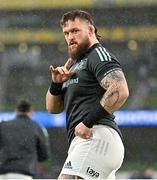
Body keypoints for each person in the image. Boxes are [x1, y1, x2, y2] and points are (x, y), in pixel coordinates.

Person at [46, 9, 129, 179]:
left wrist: (88, 121)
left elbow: (119, 89)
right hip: (87, 142)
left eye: (75, 31)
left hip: (96, 137)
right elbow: (52, 108)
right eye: (66, 33)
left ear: (90, 30)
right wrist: (56, 84)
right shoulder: (74, 65)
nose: (70, 37)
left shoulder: (97, 55)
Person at [0, 100, 49, 179]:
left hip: (3, 174)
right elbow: (44, 155)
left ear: (16, 111)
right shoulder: (36, 127)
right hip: (24, 174)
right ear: (30, 112)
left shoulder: (3, 126)